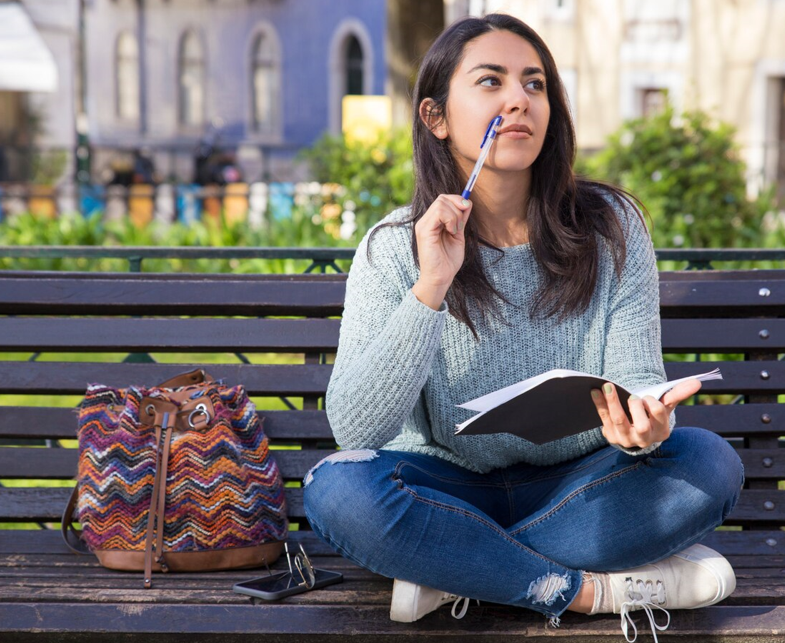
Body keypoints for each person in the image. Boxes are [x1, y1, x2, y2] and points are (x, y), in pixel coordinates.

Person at [301, 13, 744, 642]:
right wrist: (431, 286)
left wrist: (644, 426)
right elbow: (355, 428)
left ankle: (454, 568)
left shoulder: (611, 227)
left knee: (709, 463)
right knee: (335, 489)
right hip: (445, 488)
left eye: (534, 85)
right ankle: (585, 591)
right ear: (437, 118)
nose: (518, 100)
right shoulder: (395, 248)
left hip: (579, 487)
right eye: (491, 81)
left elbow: (636, 377)